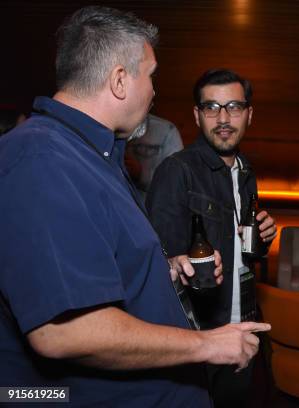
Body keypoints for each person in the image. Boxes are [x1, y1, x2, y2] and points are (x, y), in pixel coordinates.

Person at [0, 7, 269, 407]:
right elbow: (64, 332)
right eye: (151, 74)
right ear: (121, 80)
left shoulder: (94, 158)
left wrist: (167, 270)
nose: (155, 91)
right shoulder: (41, 158)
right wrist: (206, 344)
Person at [146, 68, 278, 408]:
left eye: (233, 107)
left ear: (249, 114)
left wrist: (260, 239)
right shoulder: (177, 171)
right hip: (197, 337)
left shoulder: (246, 174)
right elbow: (158, 266)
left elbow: (241, 254)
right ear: (197, 115)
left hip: (242, 328)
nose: (223, 118)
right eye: (211, 107)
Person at [125, 113, 184, 198]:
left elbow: (175, 182)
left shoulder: (166, 131)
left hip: (148, 207)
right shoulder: (107, 126)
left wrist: (141, 174)